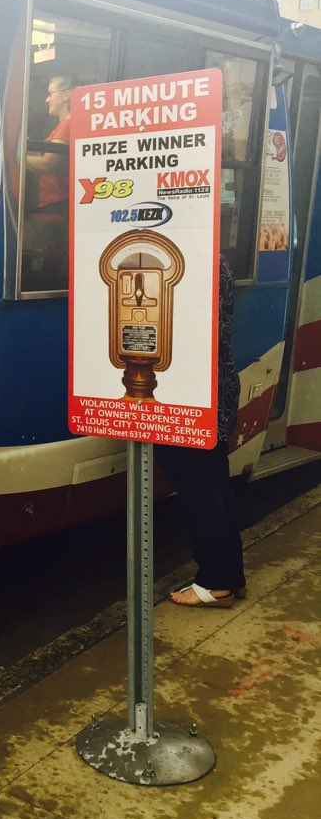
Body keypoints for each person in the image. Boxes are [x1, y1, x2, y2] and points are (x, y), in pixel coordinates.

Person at [157, 253, 245, 608]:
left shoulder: (189, 259)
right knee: (215, 486)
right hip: (215, 389)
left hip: (191, 394)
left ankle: (216, 581)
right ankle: (230, 576)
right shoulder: (214, 257)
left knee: (199, 490)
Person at [26, 74, 73, 212]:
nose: (47, 100)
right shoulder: (62, 127)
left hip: (55, 203)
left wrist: (16, 157)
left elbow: (47, 163)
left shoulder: (67, 126)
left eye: (51, 94)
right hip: (53, 202)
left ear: (66, 95)